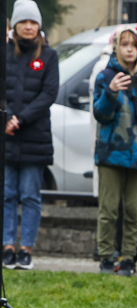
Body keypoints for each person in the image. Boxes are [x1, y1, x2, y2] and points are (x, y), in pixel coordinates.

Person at [93, 26, 137, 277]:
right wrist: (111, 92)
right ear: (116, 48)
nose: (129, 50)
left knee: (134, 212)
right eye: (124, 45)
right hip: (111, 154)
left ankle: (127, 258)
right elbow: (100, 115)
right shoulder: (106, 76)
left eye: (133, 45)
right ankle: (105, 257)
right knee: (108, 210)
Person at [2, 0, 57, 271]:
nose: (28, 26)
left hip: (34, 136)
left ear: (39, 26)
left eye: (33, 22)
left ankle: (26, 249)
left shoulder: (49, 56)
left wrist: (20, 119)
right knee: (7, 194)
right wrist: (7, 117)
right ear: (14, 25)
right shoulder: (4, 53)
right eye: (23, 21)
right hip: (7, 136)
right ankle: (8, 246)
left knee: (31, 195)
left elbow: (48, 94)